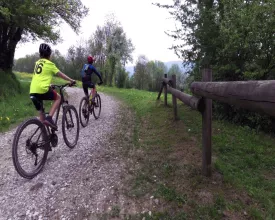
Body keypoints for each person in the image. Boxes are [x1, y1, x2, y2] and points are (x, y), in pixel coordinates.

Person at [29, 43, 76, 129]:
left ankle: (44, 138)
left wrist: (49, 85)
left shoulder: (37, 63)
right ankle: (50, 118)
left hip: (32, 91)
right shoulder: (50, 64)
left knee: (41, 113)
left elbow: (40, 77)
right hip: (42, 90)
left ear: (40, 54)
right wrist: (71, 80)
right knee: (58, 98)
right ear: (49, 55)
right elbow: (61, 74)